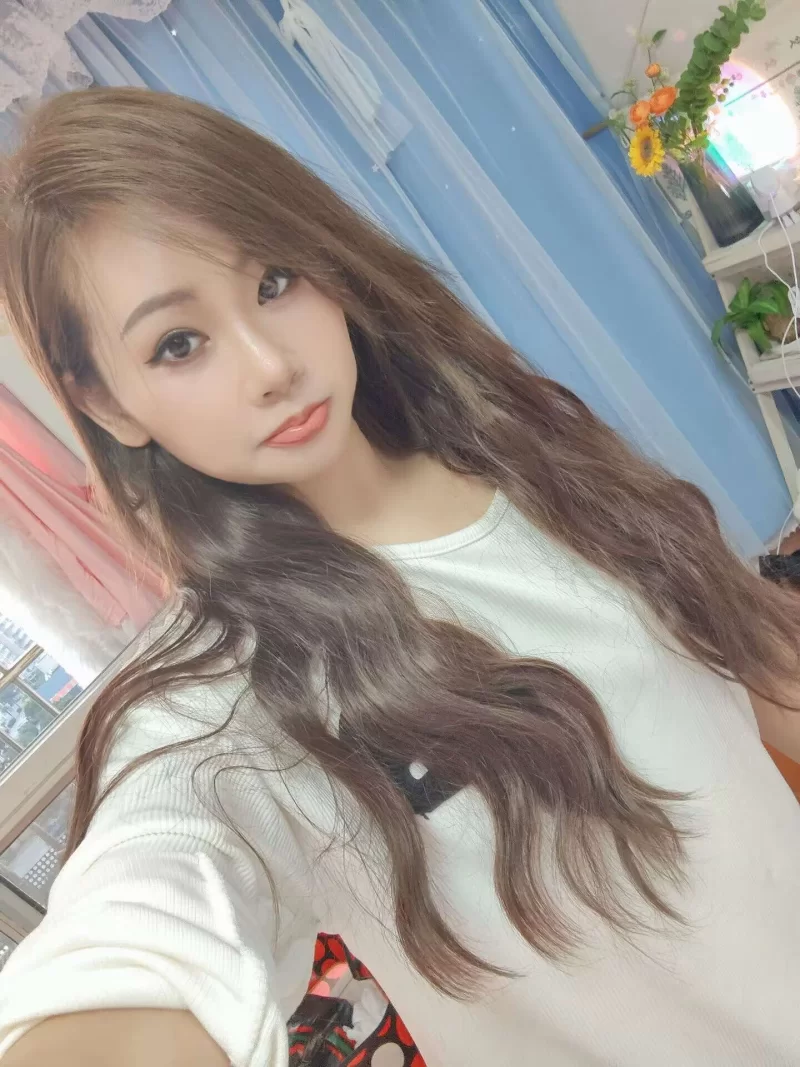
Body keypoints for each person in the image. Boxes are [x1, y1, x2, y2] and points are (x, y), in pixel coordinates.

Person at [0, 87, 798, 1067]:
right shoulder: (217, 704)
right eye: (178, 344)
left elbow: (755, 661)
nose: (268, 363)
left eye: (274, 280)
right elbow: (142, 912)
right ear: (108, 404)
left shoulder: (520, 444)